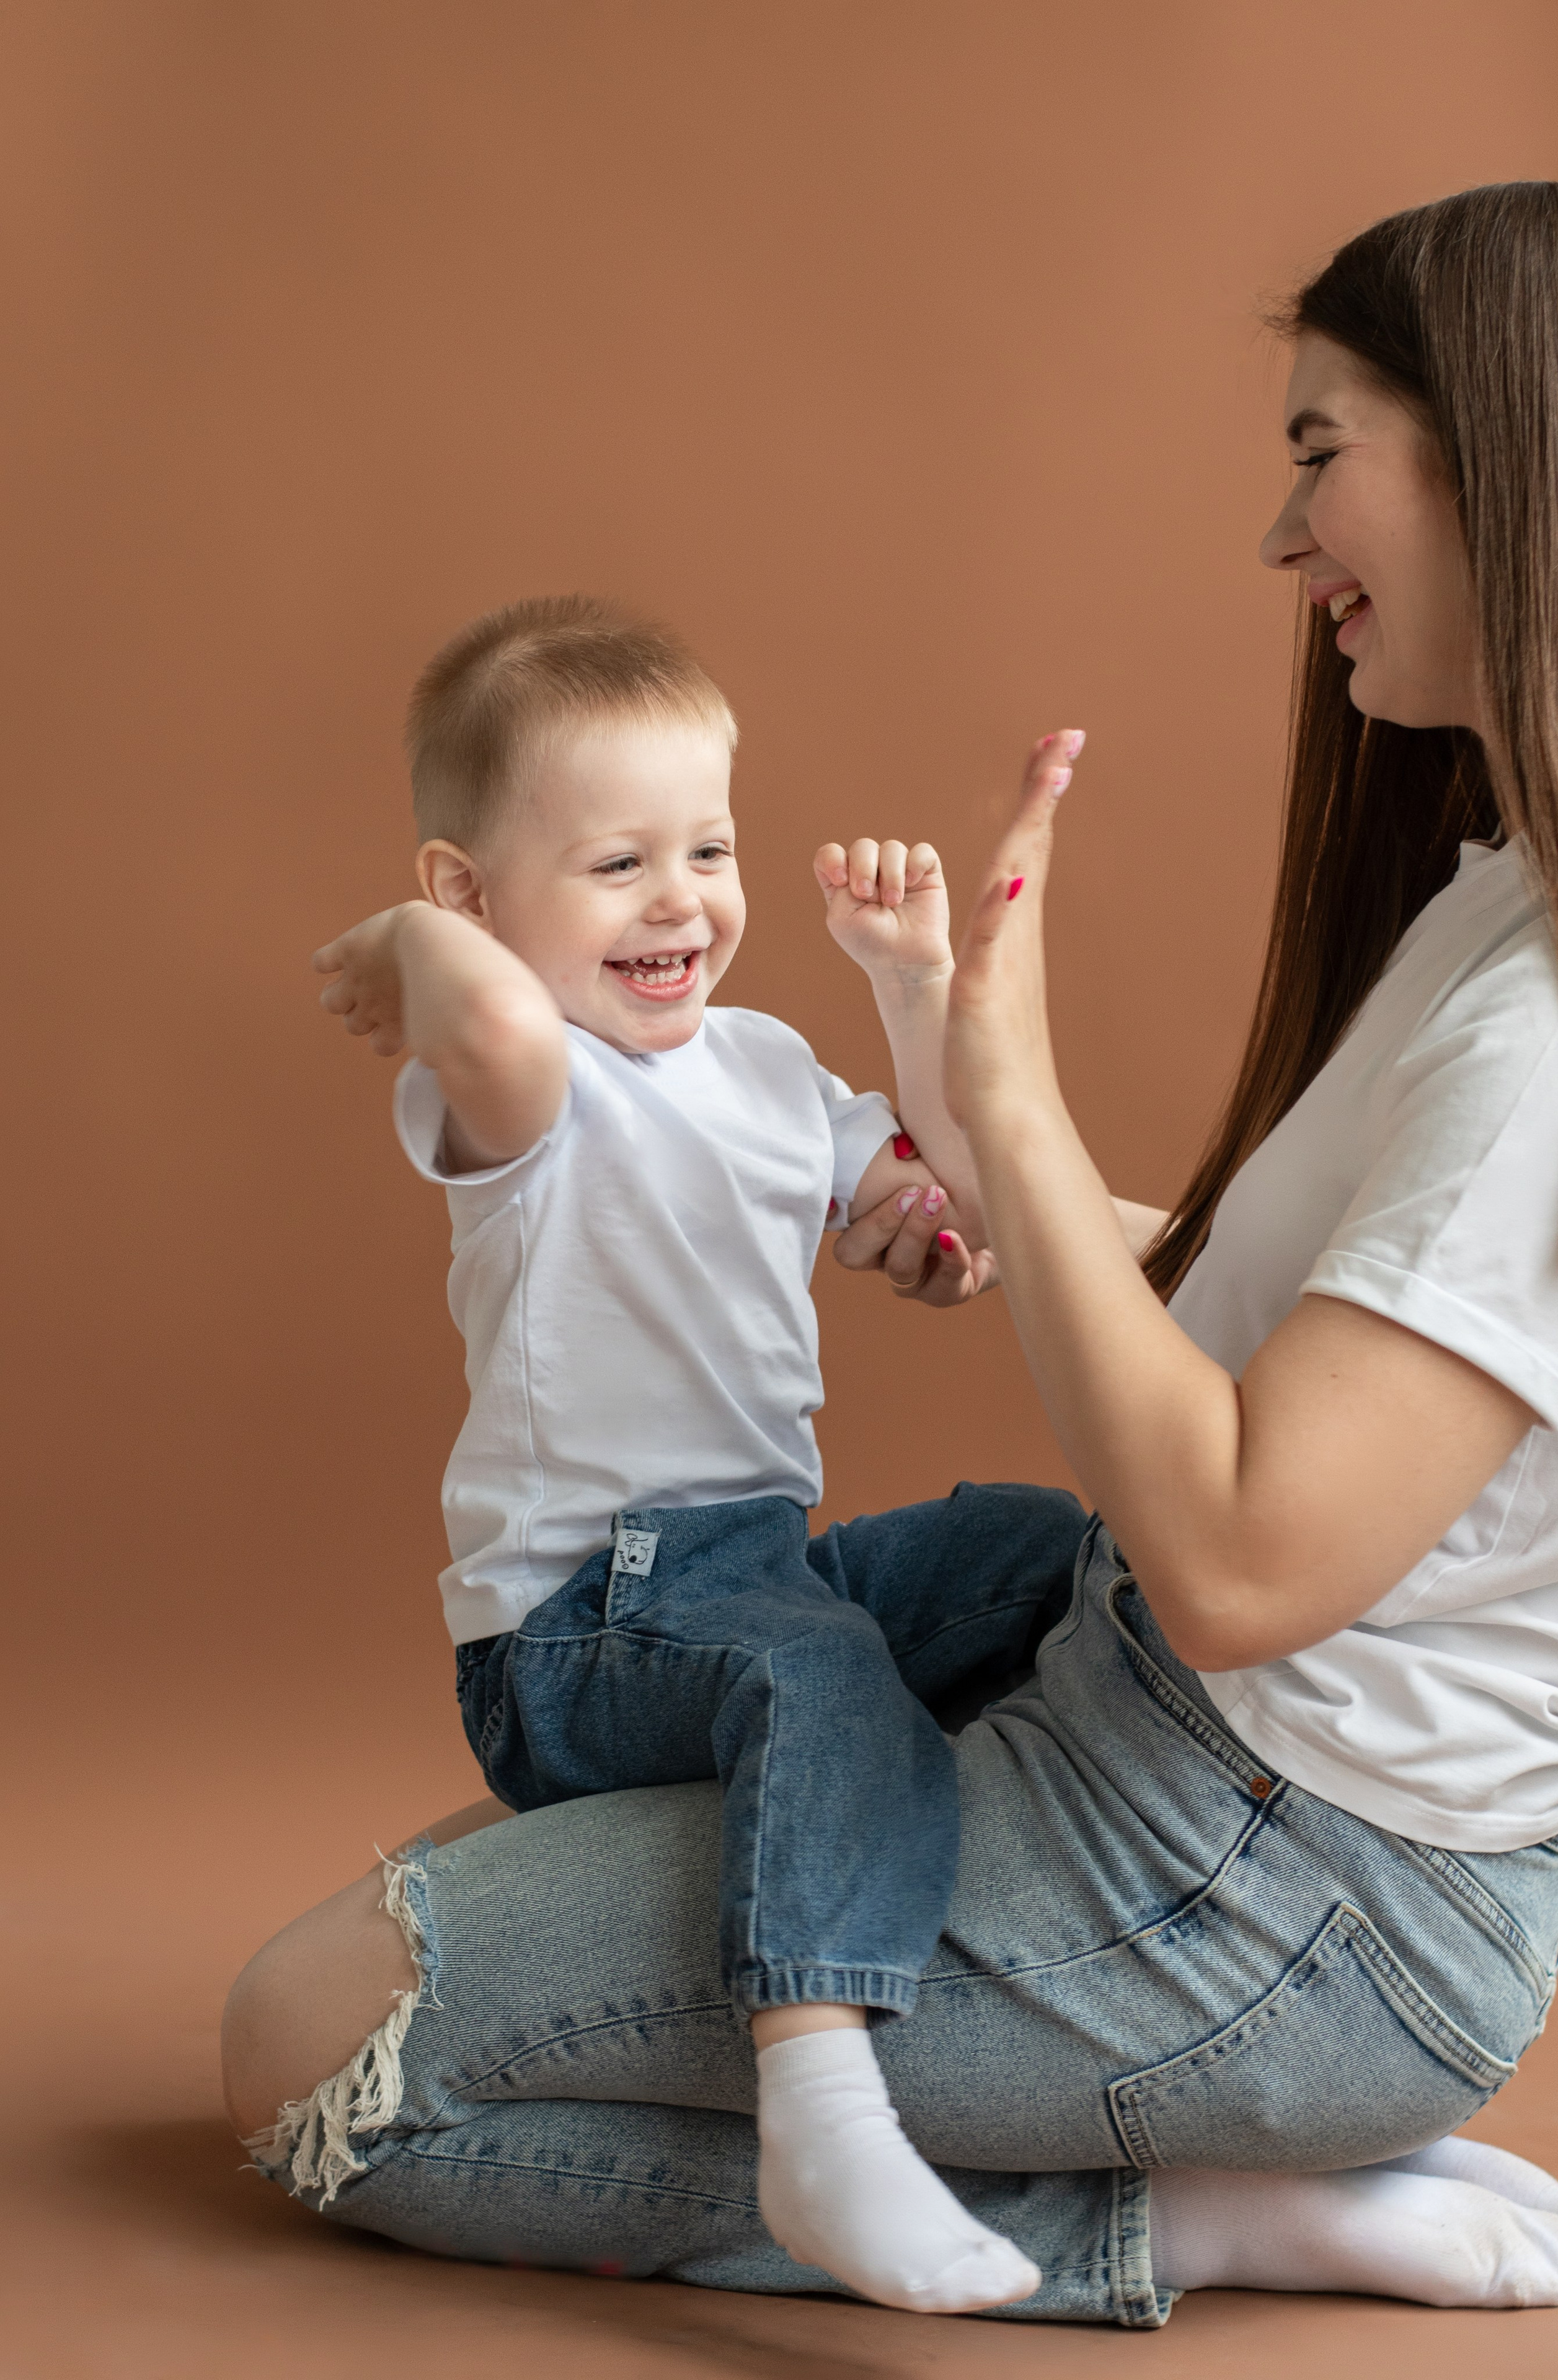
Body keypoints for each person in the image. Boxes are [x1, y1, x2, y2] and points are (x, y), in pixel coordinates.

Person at [224, 183, 1558, 2324]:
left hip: (1266, 1878)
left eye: (1322, 450)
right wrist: (970, 1142)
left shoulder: (1541, 1023)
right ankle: (982, 2050)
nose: (1278, 532)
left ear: (1511, 457)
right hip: (1191, 1759)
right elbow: (1276, 1328)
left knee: (312, 2043)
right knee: (936, 1585)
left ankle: (1168, 2212)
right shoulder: (1495, 899)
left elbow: (1240, 1560)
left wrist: (1001, 1102)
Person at [286, 593, 1084, 2314]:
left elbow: (956, 1175)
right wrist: (405, 955)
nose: (682, 903)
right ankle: (820, 2103)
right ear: (472, 898)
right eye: (617, 866)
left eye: (709, 849)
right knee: (814, 1669)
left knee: (1035, 1547)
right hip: (576, 1626)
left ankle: (1026, 1899)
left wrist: (910, 985)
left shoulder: (767, 1065)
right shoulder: (526, 1087)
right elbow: (487, 1030)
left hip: (750, 1562)